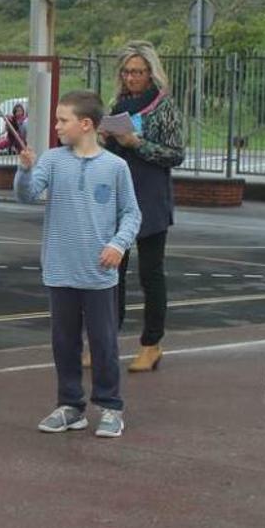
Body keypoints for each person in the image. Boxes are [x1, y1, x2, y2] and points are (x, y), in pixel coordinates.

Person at [15, 90, 140, 439]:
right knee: (64, 341)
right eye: (57, 119)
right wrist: (25, 171)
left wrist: (118, 244)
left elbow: (131, 213)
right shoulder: (53, 161)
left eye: (62, 120)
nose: (56, 126)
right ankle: (71, 405)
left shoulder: (116, 167)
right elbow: (26, 195)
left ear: (86, 124)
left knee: (103, 343)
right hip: (60, 269)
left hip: (99, 274)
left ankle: (110, 405)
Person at [102, 40, 186, 373]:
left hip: (150, 196)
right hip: (117, 195)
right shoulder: (117, 104)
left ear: (150, 73)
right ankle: (105, 339)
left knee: (150, 273)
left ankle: (151, 343)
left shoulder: (164, 107)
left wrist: (137, 143)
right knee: (111, 271)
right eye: (126, 72)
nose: (131, 78)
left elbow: (175, 154)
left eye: (137, 72)